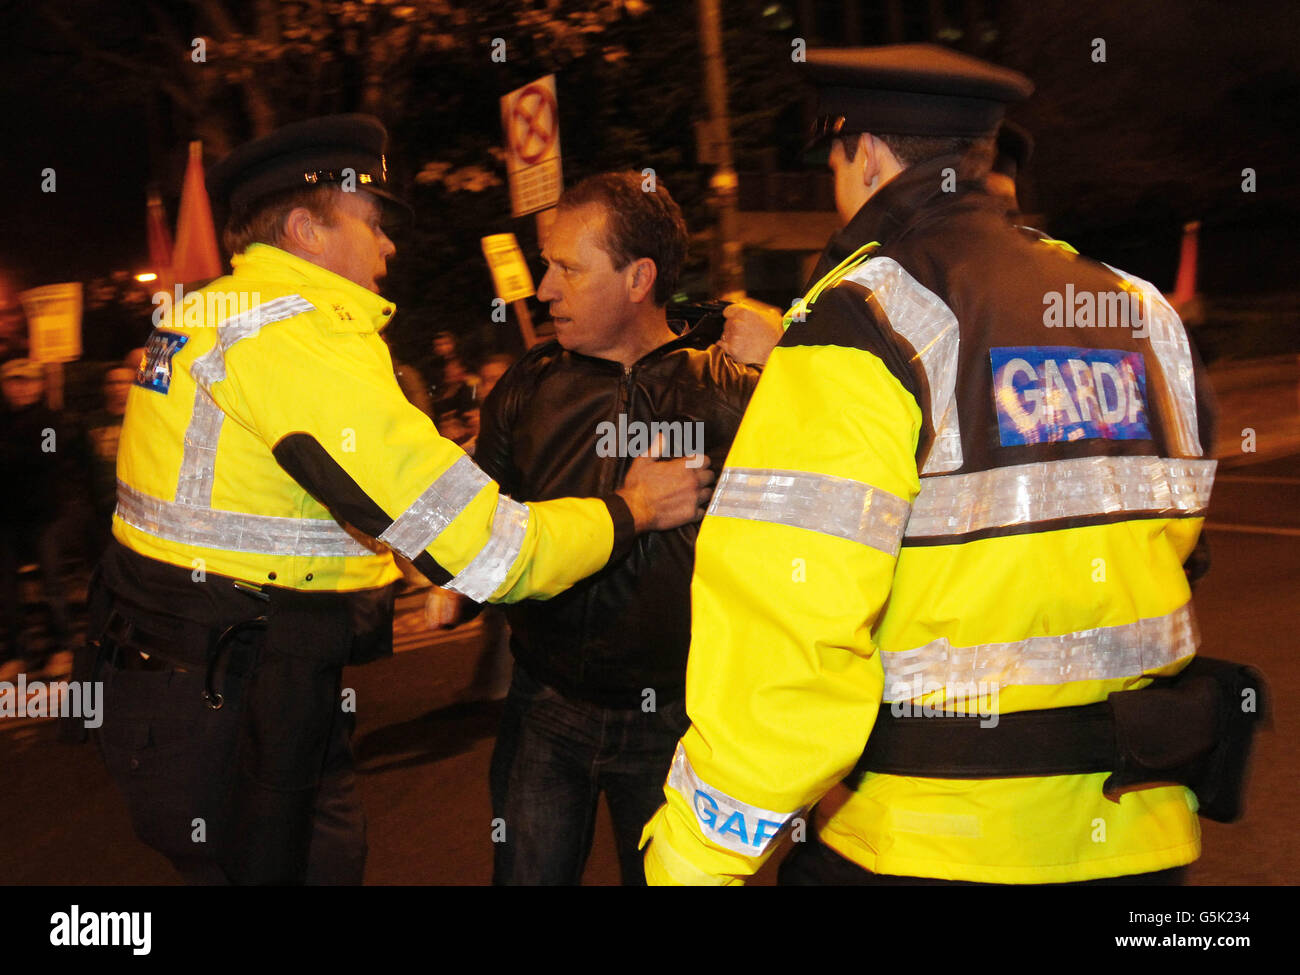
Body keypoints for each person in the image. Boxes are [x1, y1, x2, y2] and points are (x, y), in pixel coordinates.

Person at [641, 44, 1224, 885]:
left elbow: (790, 633)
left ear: (865, 152)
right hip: (1137, 834)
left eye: (832, 162)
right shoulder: (1140, 311)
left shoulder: (863, 321)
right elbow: (1179, 544)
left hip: (924, 840)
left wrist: (696, 856)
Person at [90, 115, 711, 885]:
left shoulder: (204, 313)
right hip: (241, 699)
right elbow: (490, 547)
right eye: (373, 222)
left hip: (189, 681)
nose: (389, 246)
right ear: (304, 230)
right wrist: (634, 510)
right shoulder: (299, 337)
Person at [461, 172, 769, 884]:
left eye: (568, 267)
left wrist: (789, 360)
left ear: (639, 277)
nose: (545, 288)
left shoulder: (733, 390)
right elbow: (480, 532)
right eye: (546, 266)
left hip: (677, 725)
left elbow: (856, 471)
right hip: (543, 708)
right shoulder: (528, 388)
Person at [1, 358, 77, 682]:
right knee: (6, 590)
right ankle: (16, 653)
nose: (22, 387)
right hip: (6, 518)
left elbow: (48, 459)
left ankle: (61, 646)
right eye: (14, 381)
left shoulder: (49, 422)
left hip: (43, 517)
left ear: (39, 384)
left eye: (28, 380)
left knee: (51, 584)